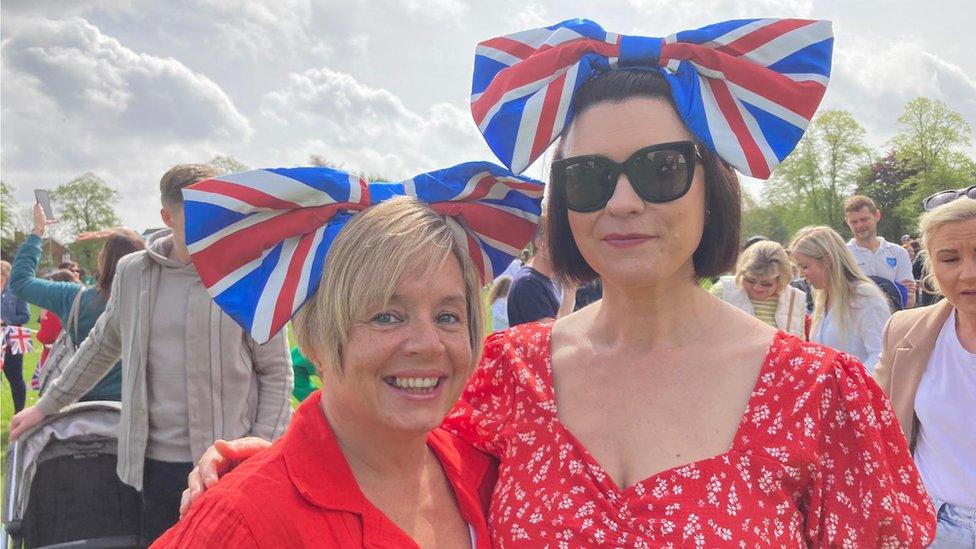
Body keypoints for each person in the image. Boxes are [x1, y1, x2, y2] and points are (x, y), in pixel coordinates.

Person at [183, 18, 935, 546]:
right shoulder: (507, 377)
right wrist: (263, 469)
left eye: (660, 169)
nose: (623, 201)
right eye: (589, 175)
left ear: (712, 188)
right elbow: (389, 461)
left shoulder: (821, 396)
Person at [152, 162, 542, 547]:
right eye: (386, 316)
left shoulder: (489, 471)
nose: (428, 343)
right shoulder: (242, 523)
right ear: (316, 337)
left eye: (448, 316)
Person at [9, 164, 295, 544]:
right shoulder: (133, 274)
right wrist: (45, 407)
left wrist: (260, 452)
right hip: (148, 467)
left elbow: (276, 372)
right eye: (194, 216)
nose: (208, 227)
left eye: (215, 214)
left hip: (226, 467)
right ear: (166, 216)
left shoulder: (248, 276)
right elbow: (100, 346)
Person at [875, 196, 976, 547]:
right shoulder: (905, 332)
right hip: (932, 524)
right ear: (931, 268)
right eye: (950, 258)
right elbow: (877, 426)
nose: (969, 273)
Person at [9, 204, 144, 402]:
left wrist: (37, 232)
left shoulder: (75, 298)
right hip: (137, 404)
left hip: (83, 406)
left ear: (102, 261)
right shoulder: (154, 299)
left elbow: (20, 281)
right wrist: (127, 235)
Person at [790, 226, 892, 372]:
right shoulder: (822, 298)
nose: (801, 274)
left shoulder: (864, 296)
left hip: (858, 392)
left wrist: (846, 384)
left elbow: (881, 356)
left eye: (805, 266)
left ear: (827, 261)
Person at [710, 240, 806, 338]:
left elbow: (800, 341)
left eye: (766, 284)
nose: (757, 288)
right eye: (750, 280)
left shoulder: (795, 299)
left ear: (781, 280)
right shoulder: (722, 290)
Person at [844, 195, 916, 307]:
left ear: (877, 215)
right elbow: (842, 300)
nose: (859, 225)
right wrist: (893, 289)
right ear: (847, 222)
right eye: (854, 222)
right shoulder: (842, 256)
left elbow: (909, 300)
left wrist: (862, 291)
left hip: (893, 322)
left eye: (864, 219)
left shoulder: (898, 252)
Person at [507, 222, 576, 326]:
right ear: (540, 243)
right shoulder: (528, 283)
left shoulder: (543, 280)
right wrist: (569, 295)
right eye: (560, 242)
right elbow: (550, 337)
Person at [1, 259, 31, 412]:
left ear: (7, 276)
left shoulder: (17, 292)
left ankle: (19, 411)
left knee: (15, 378)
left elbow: (26, 316)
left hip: (13, 340)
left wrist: (6, 321)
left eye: (1, 274)